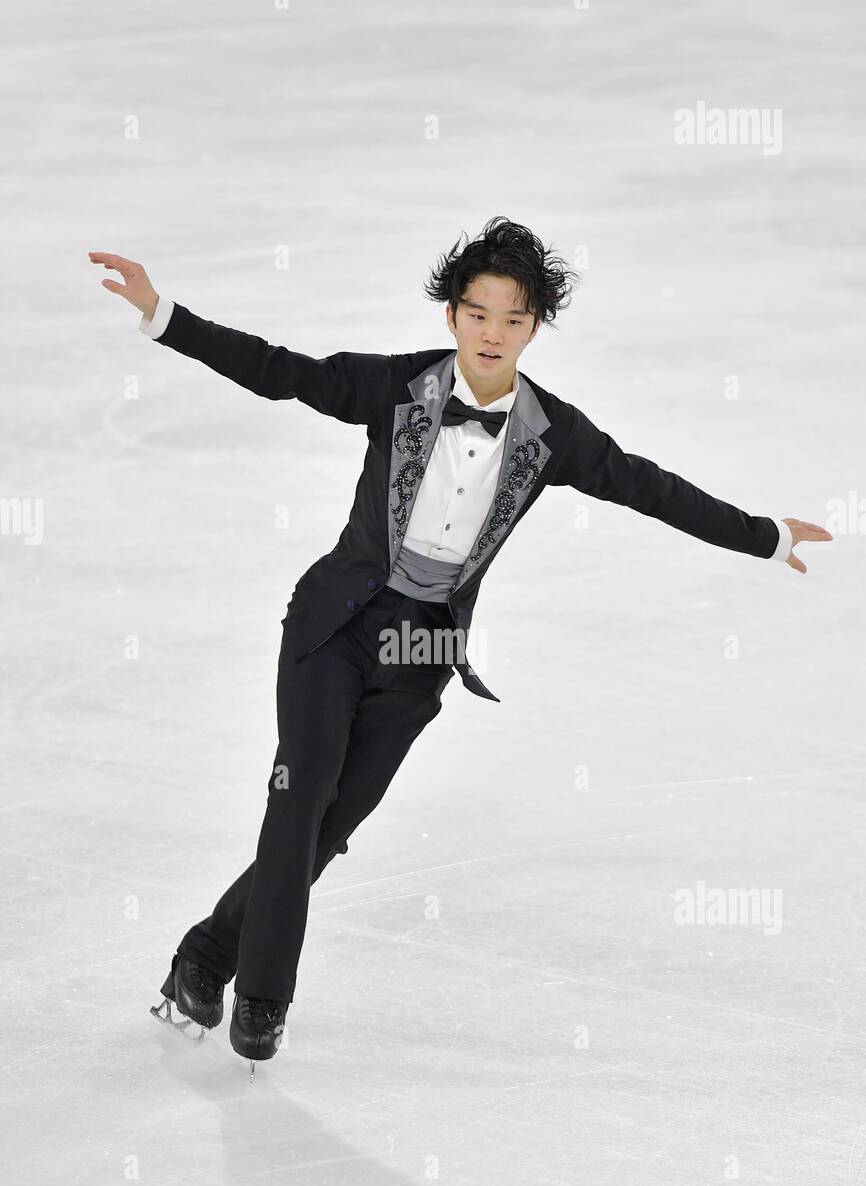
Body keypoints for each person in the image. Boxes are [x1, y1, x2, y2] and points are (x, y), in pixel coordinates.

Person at [88, 217, 832, 1081]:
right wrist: (162, 314)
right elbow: (280, 372)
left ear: (534, 327)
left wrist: (765, 536)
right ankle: (261, 998)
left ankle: (203, 959)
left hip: (418, 651)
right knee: (300, 799)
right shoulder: (395, 386)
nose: (491, 332)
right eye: (477, 313)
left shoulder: (556, 434)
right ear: (451, 315)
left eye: (512, 319)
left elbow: (650, 488)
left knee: (331, 827)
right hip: (335, 623)